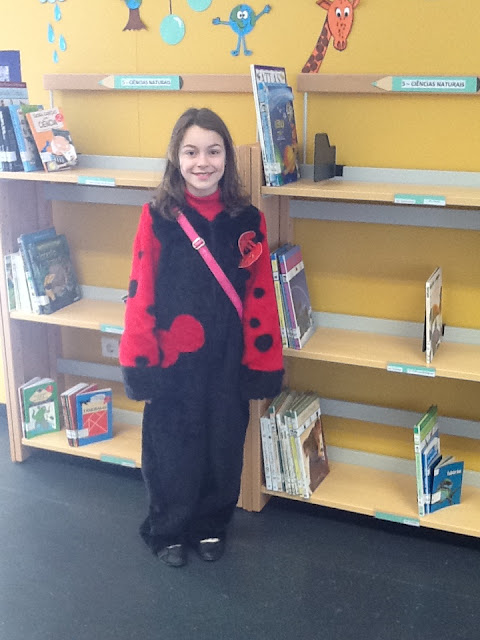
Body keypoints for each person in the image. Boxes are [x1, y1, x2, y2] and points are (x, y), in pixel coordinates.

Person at [119, 107, 284, 567]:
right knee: (171, 449)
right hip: (173, 359)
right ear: (176, 156)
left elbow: (259, 293)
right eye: (191, 152)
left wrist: (261, 362)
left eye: (213, 151)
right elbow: (141, 291)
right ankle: (168, 529)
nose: (202, 162)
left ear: (227, 157)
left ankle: (211, 524)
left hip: (228, 360)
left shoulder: (247, 219)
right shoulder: (157, 217)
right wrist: (141, 360)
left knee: (224, 447)